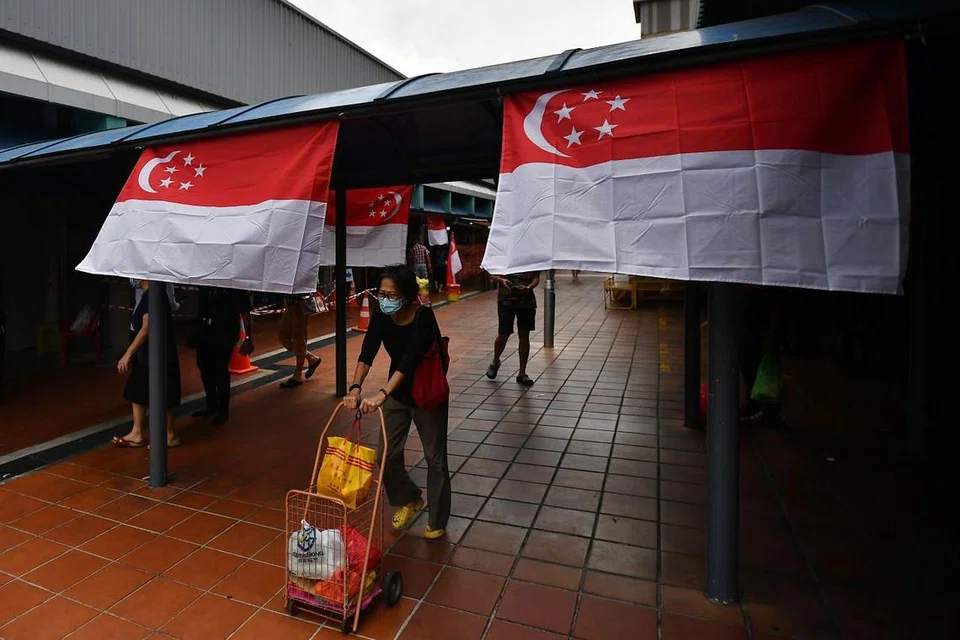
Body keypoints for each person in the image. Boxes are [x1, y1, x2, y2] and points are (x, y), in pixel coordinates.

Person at [344, 265, 451, 540]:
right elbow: (367, 352)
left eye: (391, 294)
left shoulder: (424, 316)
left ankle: (437, 519)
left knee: (435, 458)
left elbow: (409, 360)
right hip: (398, 393)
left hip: (427, 393)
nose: (385, 299)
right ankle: (411, 499)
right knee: (388, 455)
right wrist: (355, 387)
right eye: (381, 293)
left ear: (407, 296)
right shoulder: (381, 316)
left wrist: (381, 394)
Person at [112, 280, 181, 448]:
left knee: (162, 393)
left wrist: (127, 354)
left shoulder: (155, 296)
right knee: (136, 391)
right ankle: (136, 432)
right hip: (146, 356)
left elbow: (146, 329)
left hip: (159, 356)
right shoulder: (146, 296)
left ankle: (170, 435)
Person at [192, 286, 253, 424]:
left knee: (220, 368)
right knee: (203, 364)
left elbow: (245, 311)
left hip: (224, 331)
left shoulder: (233, 285)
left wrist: (248, 337)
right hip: (205, 328)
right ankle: (211, 402)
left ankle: (222, 409)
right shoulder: (205, 282)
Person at [486, 271, 540, 386]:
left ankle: (522, 373)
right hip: (506, 299)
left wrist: (528, 287)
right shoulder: (504, 254)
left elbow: (536, 278)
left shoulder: (530, 257)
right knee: (504, 333)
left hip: (526, 301)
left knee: (524, 335)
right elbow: (491, 273)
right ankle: (495, 361)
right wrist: (500, 280)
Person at [277, 294, 321, 389]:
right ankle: (311, 358)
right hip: (290, 302)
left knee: (299, 336)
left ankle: (298, 375)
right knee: (283, 335)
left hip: (300, 302)